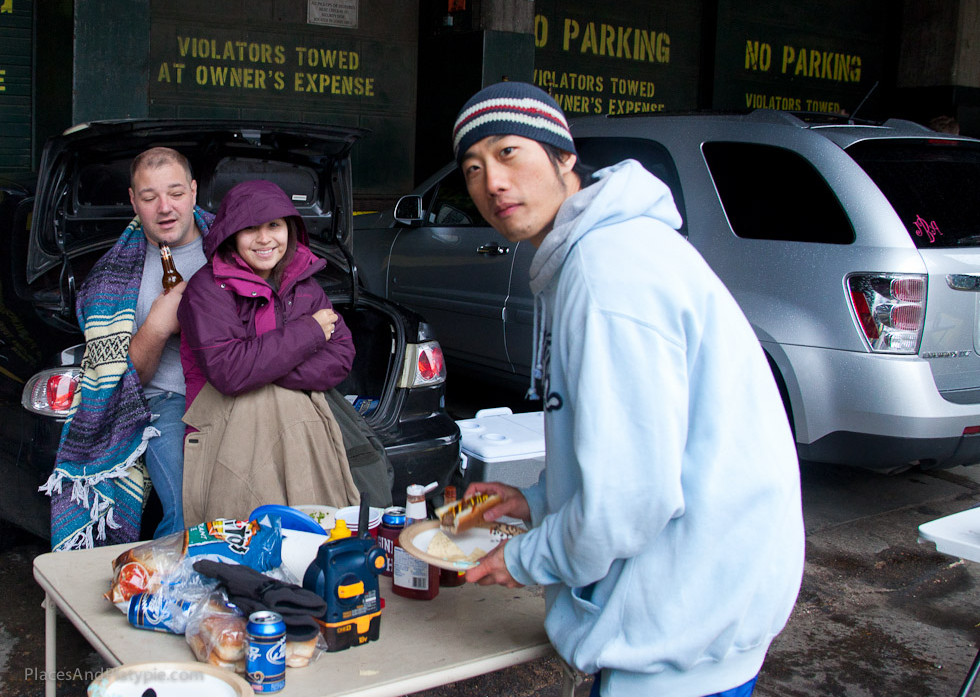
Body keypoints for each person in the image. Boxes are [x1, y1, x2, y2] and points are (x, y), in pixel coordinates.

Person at [452, 82, 805, 697]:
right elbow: (634, 448)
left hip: (680, 630)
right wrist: (534, 500)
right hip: (701, 607)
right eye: (474, 169)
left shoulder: (606, 270)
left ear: (565, 157)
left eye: (509, 153)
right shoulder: (605, 251)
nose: (493, 184)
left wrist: (522, 557)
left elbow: (630, 498)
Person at [42, 147, 213, 550]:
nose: (165, 207)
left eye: (174, 193)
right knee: (190, 508)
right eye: (150, 197)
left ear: (193, 191)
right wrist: (155, 326)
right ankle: (170, 596)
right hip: (167, 401)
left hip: (234, 387)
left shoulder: (235, 245)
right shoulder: (111, 281)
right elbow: (124, 381)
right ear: (134, 202)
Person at [177, 179, 365, 522]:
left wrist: (260, 363)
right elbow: (229, 372)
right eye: (250, 228)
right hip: (226, 419)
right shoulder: (206, 290)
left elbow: (340, 357)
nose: (265, 239)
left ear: (290, 228)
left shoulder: (305, 283)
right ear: (232, 234)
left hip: (299, 419)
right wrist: (307, 334)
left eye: (274, 226)